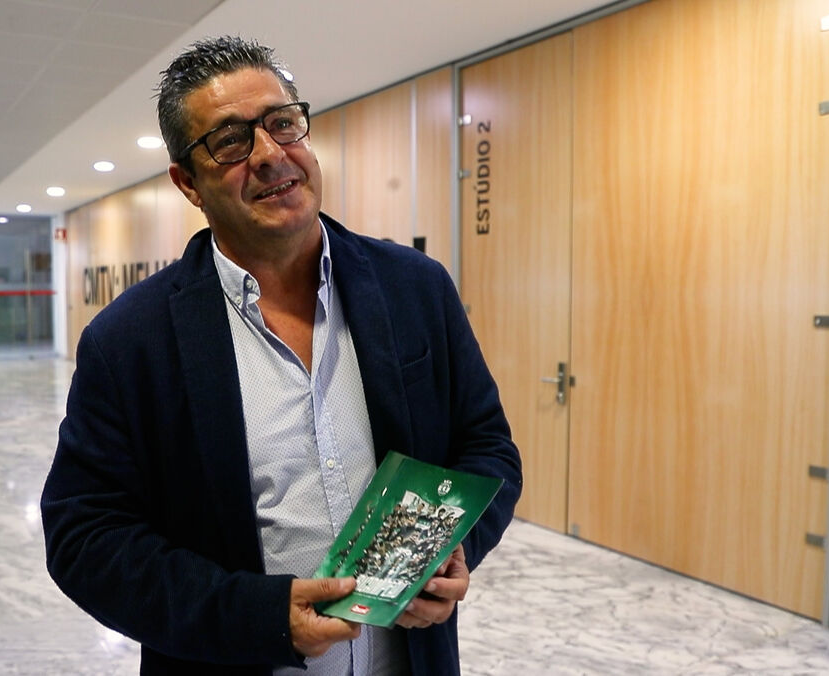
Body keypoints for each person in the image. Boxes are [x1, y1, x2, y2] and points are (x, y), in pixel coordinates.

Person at [41, 35, 522, 675]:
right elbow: (86, 539)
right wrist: (259, 616)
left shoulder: (414, 288)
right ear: (188, 183)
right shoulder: (130, 341)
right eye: (230, 141)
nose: (270, 154)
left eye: (283, 123)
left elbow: (486, 447)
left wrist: (450, 551)